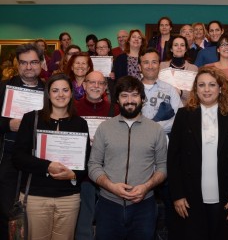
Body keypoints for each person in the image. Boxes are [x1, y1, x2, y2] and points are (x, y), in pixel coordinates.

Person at [168, 66, 228, 240]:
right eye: (201, 85)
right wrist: (177, 195)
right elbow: (173, 160)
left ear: (220, 89)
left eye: (212, 85)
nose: (206, 89)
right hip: (190, 199)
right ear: (195, 89)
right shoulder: (183, 116)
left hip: (227, 200)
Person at [88, 76, 167, 240]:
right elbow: (93, 165)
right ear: (117, 99)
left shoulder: (156, 130)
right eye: (124, 95)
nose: (129, 100)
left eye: (134, 95)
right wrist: (111, 187)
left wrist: (146, 187)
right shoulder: (105, 128)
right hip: (108, 205)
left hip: (144, 207)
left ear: (142, 99)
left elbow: (162, 168)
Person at [13, 73, 90, 240]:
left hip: (68, 199)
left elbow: (86, 163)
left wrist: (74, 174)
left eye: (65, 90)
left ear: (71, 93)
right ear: (48, 93)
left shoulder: (80, 123)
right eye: (55, 90)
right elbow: (18, 157)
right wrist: (47, 166)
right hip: (36, 197)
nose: (60, 95)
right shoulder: (31, 118)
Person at [0, 44, 45, 239]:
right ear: (18, 65)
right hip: (7, 159)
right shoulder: (4, 87)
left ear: (41, 63)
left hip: (37, 159)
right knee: (5, 210)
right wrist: (8, 124)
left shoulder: (49, 89)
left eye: (33, 62)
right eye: (24, 62)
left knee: (34, 213)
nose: (29, 67)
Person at [74, 71, 119, 240]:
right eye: (91, 82)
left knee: (108, 221)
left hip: (109, 172)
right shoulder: (72, 108)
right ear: (84, 85)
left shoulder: (115, 109)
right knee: (83, 219)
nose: (96, 86)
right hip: (81, 173)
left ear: (106, 87)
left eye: (100, 83)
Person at [140, 48, 183, 135]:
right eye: (146, 62)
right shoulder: (132, 90)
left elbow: (180, 117)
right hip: (136, 139)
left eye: (154, 62)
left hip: (163, 140)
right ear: (139, 66)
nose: (150, 66)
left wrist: (155, 127)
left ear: (159, 65)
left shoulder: (170, 89)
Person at [160, 36, 198, 105]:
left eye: (182, 45)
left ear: (186, 49)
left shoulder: (193, 69)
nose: (179, 47)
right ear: (171, 49)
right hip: (163, 107)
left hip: (185, 108)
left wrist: (181, 92)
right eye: (176, 45)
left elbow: (195, 93)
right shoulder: (161, 66)